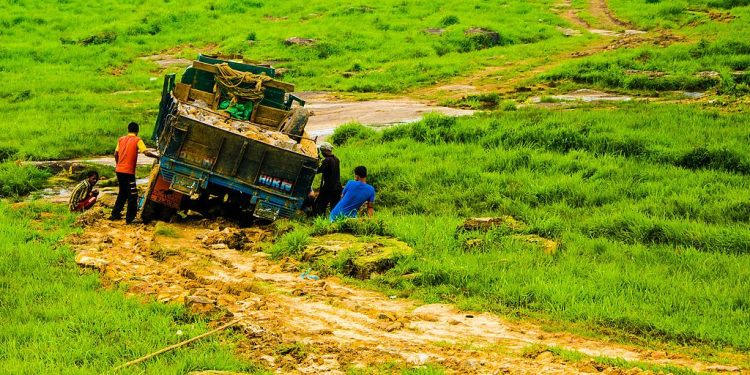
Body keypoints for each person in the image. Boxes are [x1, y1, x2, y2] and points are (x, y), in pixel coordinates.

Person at [109, 121, 159, 224]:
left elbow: (115, 154)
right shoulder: (137, 140)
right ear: (137, 131)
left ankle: (115, 214)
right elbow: (146, 152)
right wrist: (157, 156)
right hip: (128, 172)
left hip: (119, 170)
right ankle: (130, 219)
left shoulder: (121, 139)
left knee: (122, 193)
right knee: (132, 195)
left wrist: (118, 164)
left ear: (128, 130)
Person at [314, 142, 342, 216]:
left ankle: (320, 219)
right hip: (338, 187)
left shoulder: (327, 160)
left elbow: (319, 170)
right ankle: (333, 221)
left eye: (322, 151)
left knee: (320, 204)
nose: (322, 153)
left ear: (325, 151)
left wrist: (316, 163)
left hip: (329, 187)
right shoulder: (336, 159)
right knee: (334, 207)